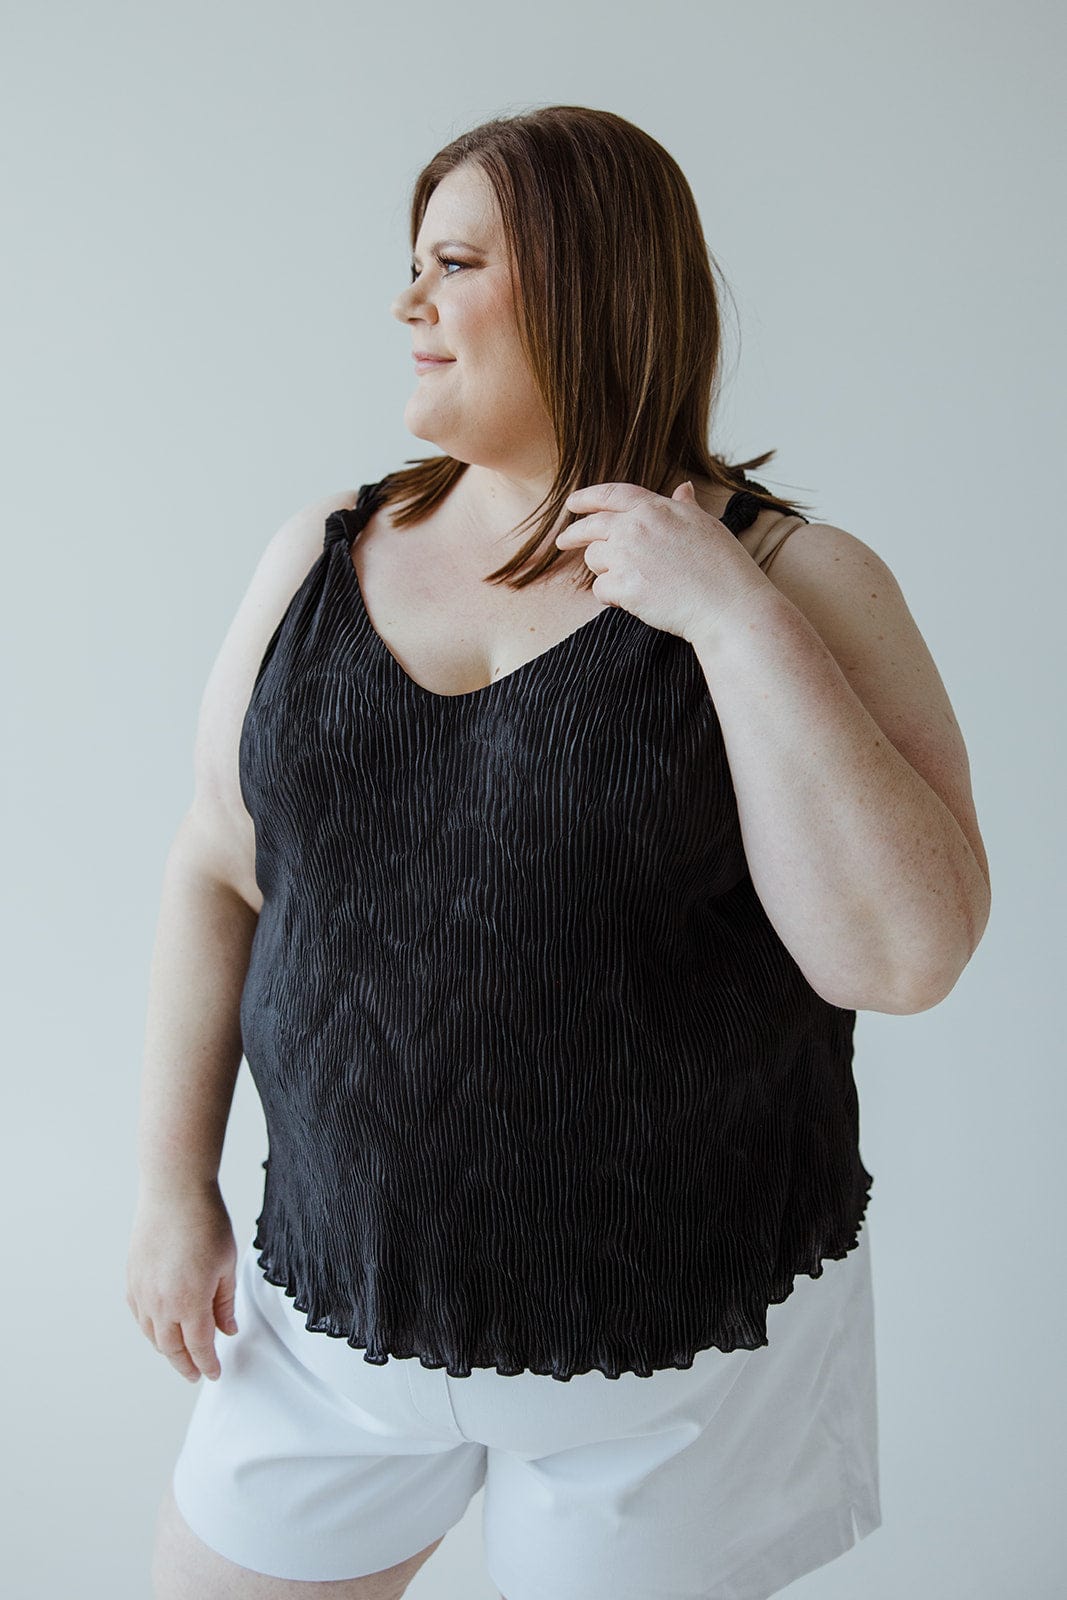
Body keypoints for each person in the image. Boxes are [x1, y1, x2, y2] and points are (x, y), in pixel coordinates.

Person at [126, 106, 991, 1600]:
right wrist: (169, 1187)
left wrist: (725, 613)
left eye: (453, 262)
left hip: (674, 1373)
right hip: (328, 1311)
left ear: (593, 282)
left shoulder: (801, 582)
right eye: (410, 263)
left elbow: (906, 954)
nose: (406, 303)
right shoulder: (316, 556)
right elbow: (217, 865)